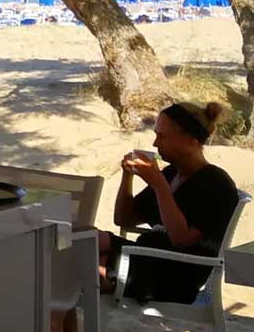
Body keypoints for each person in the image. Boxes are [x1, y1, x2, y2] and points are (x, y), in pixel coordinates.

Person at [99, 101, 239, 303]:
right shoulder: (172, 174)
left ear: (190, 139)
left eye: (161, 136)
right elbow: (124, 218)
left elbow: (181, 239)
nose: (155, 144)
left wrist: (159, 186)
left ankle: (56, 327)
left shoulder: (216, 184)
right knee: (82, 238)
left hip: (173, 276)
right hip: (145, 258)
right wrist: (127, 176)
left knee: (76, 263)